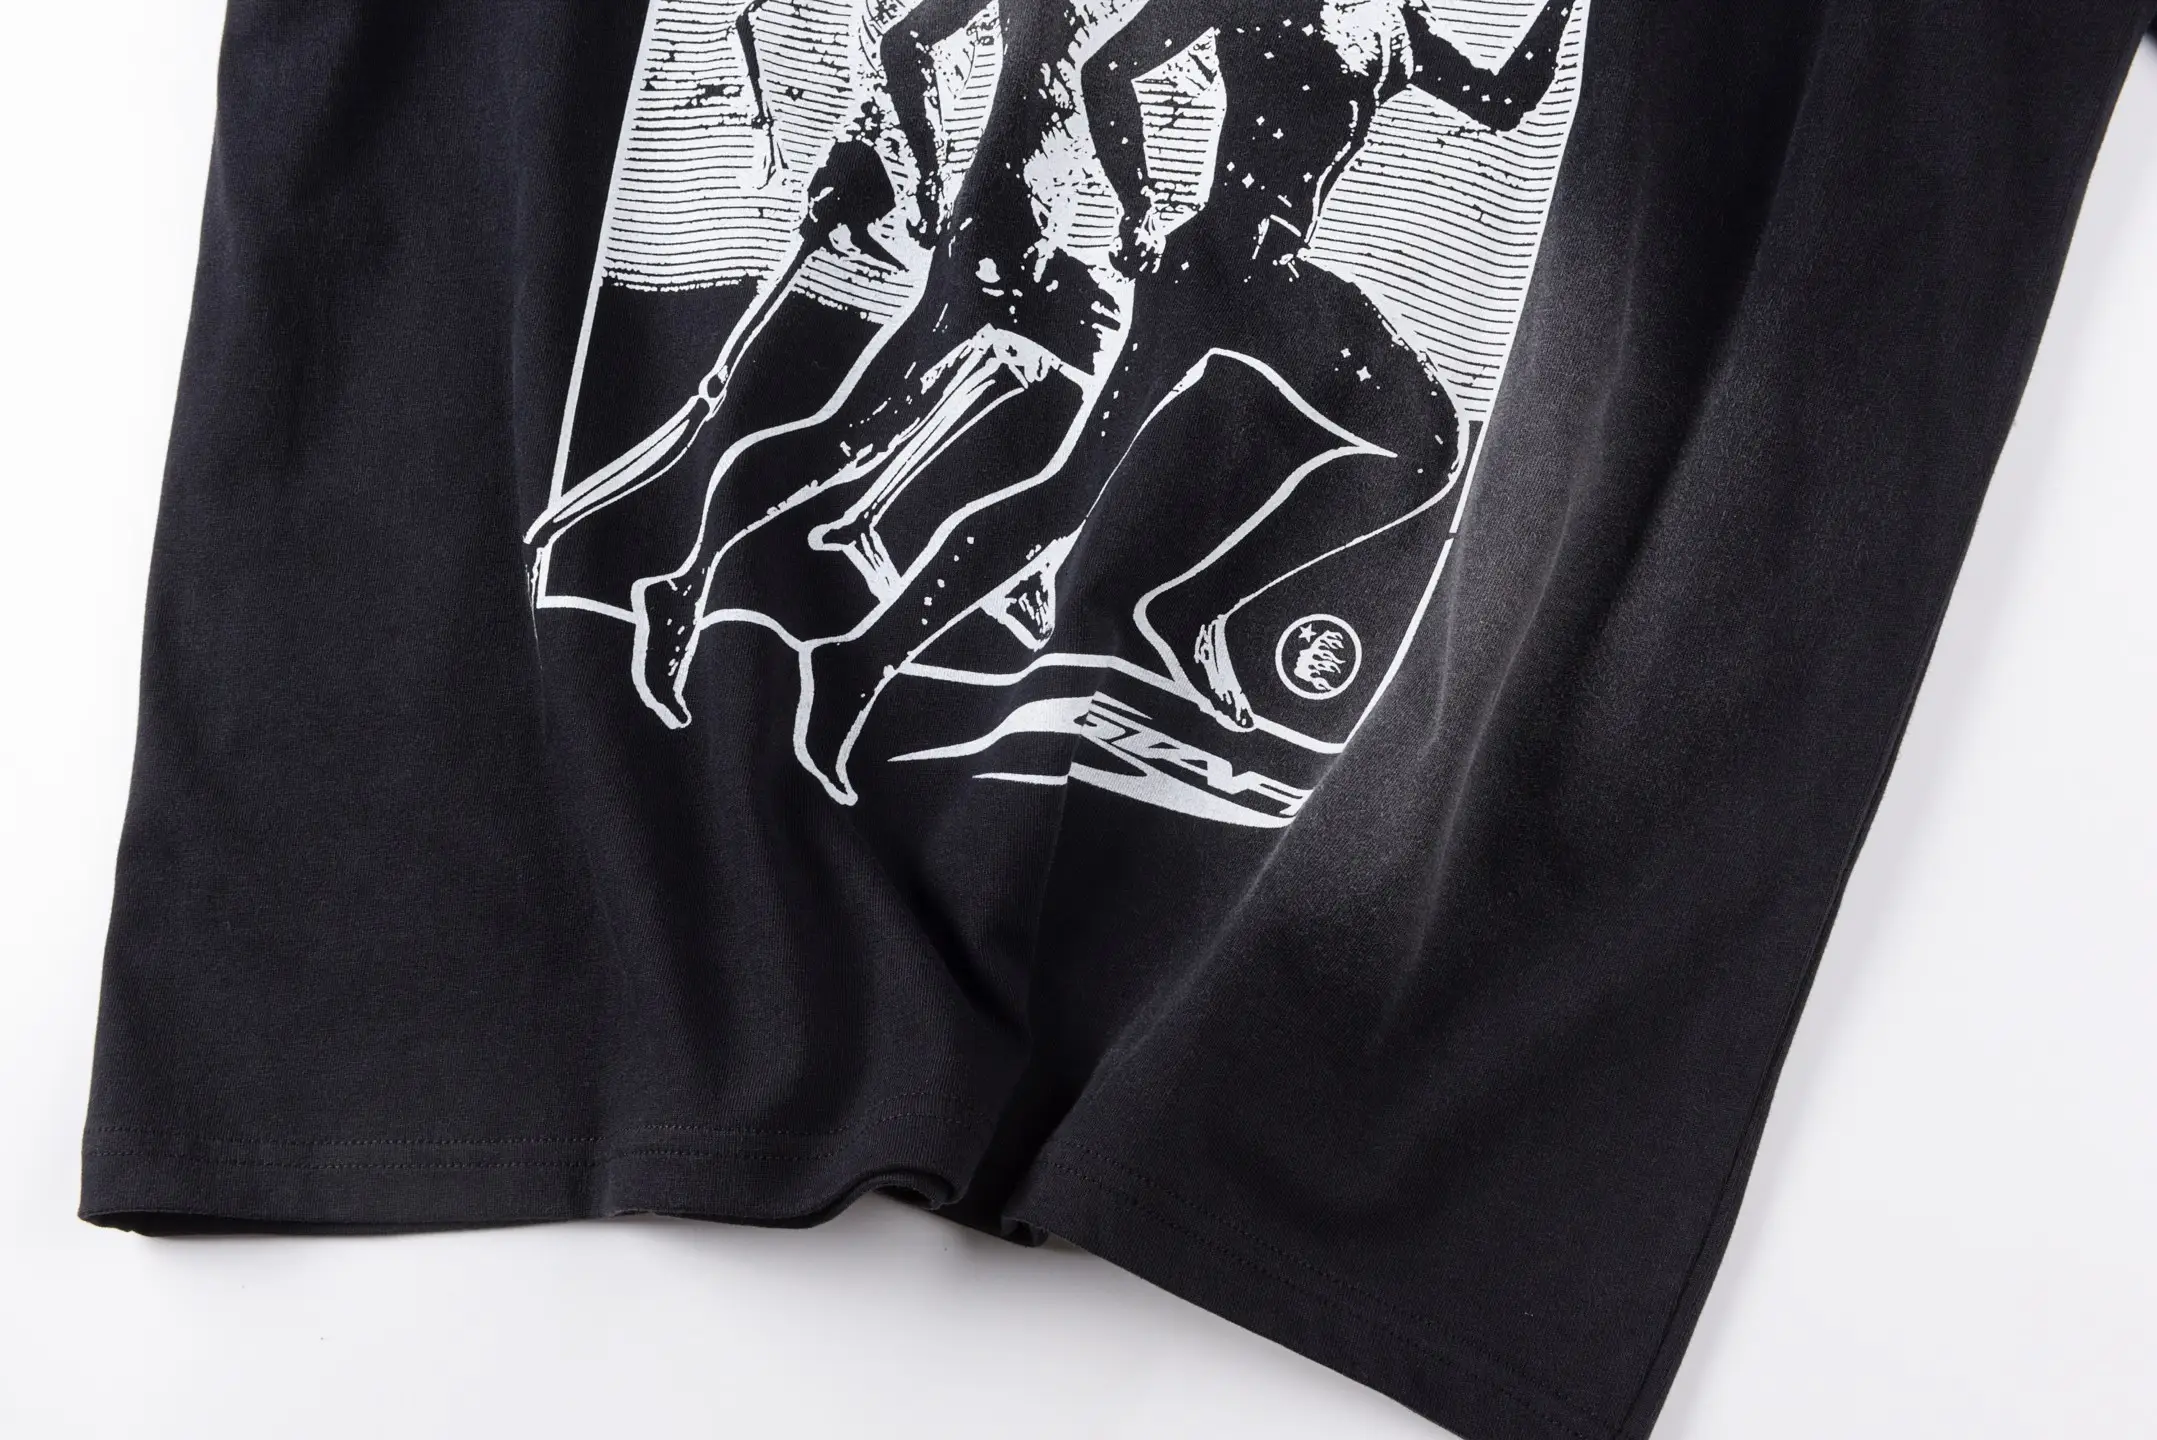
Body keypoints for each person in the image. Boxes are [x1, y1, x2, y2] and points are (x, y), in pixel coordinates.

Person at [791, 0, 1574, 801]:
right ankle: (855, 662)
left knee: (1432, 442)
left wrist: (1555, 12)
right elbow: (1108, 68)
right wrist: (1140, 207)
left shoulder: (1397, 31)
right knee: (1065, 497)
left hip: (1278, 282)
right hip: (1201, 270)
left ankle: (1194, 610)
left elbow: (1501, 101)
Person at [629, 0, 1130, 729]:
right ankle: (684, 585)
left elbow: (1100, 82)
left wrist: (1136, 204)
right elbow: (908, 41)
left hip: (1041, 243)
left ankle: (1026, 564)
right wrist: (929, 174)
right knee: (854, 435)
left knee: (1092, 367)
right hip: (998, 232)